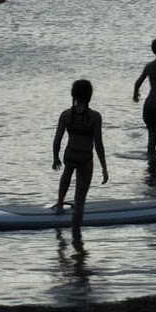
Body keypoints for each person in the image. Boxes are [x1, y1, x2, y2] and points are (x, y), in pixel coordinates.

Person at [52, 79, 108, 241]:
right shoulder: (95, 117)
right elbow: (98, 143)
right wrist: (104, 167)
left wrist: (55, 157)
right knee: (79, 201)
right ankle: (76, 237)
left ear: (73, 95)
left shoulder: (66, 115)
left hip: (70, 154)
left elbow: (57, 139)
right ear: (90, 96)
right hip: (85, 157)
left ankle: (60, 204)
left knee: (66, 175)